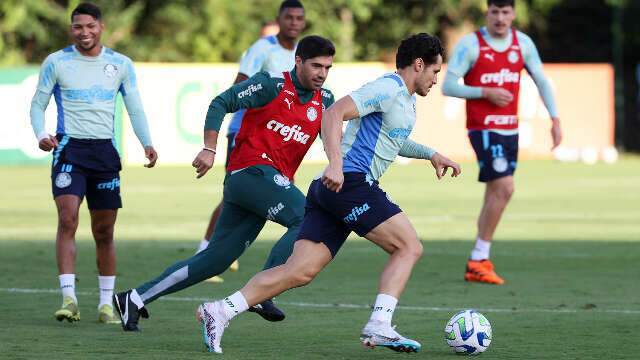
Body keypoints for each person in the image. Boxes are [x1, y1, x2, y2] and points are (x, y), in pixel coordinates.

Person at [196, 33, 462, 354]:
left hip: (333, 190)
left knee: (299, 271)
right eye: (435, 71)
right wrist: (336, 164)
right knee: (408, 246)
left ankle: (220, 310)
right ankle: (379, 325)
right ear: (418, 65)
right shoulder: (387, 88)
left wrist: (431, 153)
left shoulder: (404, 99)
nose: (436, 79)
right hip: (349, 182)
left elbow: (394, 140)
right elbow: (333, 113)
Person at [113, 35, 336, 332]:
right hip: (250, 171)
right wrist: (210, 147)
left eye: (327, 68)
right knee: (305, 216)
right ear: (298, 61)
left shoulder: (326, 101)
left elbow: (334, 140)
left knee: (215, 261)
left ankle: (135, 299)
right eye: (316, 65)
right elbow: (222, 101)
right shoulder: (271, 85)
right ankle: (265, 290)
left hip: (263, 184)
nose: (321, 73)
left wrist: (341, 165)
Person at [29, 2, 157, 324]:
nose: (84, 32)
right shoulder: (56, 62)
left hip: (104, 154)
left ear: (101, 27)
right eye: (77, 27)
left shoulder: (120, 64)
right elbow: (37, 103)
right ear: (71, 29)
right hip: (69, 150)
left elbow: (135, 107)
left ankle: (104, 305)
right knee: (68, 218)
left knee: (104, 230)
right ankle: (69, 299)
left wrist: (147, 143)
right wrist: (42, 134)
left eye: (90, 26)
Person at [442, 0, 562, 285]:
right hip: (483, 128)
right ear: (488, 13)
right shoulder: (472, 45)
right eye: (495, 11)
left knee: (495, 194)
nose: (500, 18)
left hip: (510, 129)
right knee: (505, 188)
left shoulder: (523, 44)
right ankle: (479, 258)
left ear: (513, 14)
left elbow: (542, 81)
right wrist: (485, 91)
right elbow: (448, 85)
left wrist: (555, 118)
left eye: (505, 12)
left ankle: (478, 260)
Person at [195, 0, 306, 283]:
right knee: (234, 193)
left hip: (278, 137)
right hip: (246, 133)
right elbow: (239, 85)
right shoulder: (262, 49)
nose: (294, 22)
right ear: (279, 19)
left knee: (262, 194)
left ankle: (224, 253)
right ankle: (207, 251)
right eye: (289, 17)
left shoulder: (303, 54)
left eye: (299, 18)